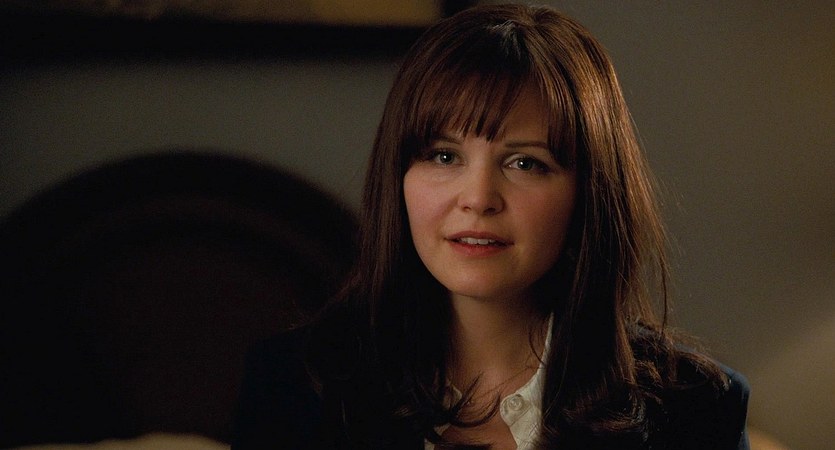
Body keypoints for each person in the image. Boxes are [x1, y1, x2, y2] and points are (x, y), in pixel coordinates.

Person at [231, 4, 750, 449]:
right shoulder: (291, 388)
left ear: (590, 192)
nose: (478, 198)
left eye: (525, 163)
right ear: (398, 176)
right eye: (443, 156)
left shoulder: (698, 410)